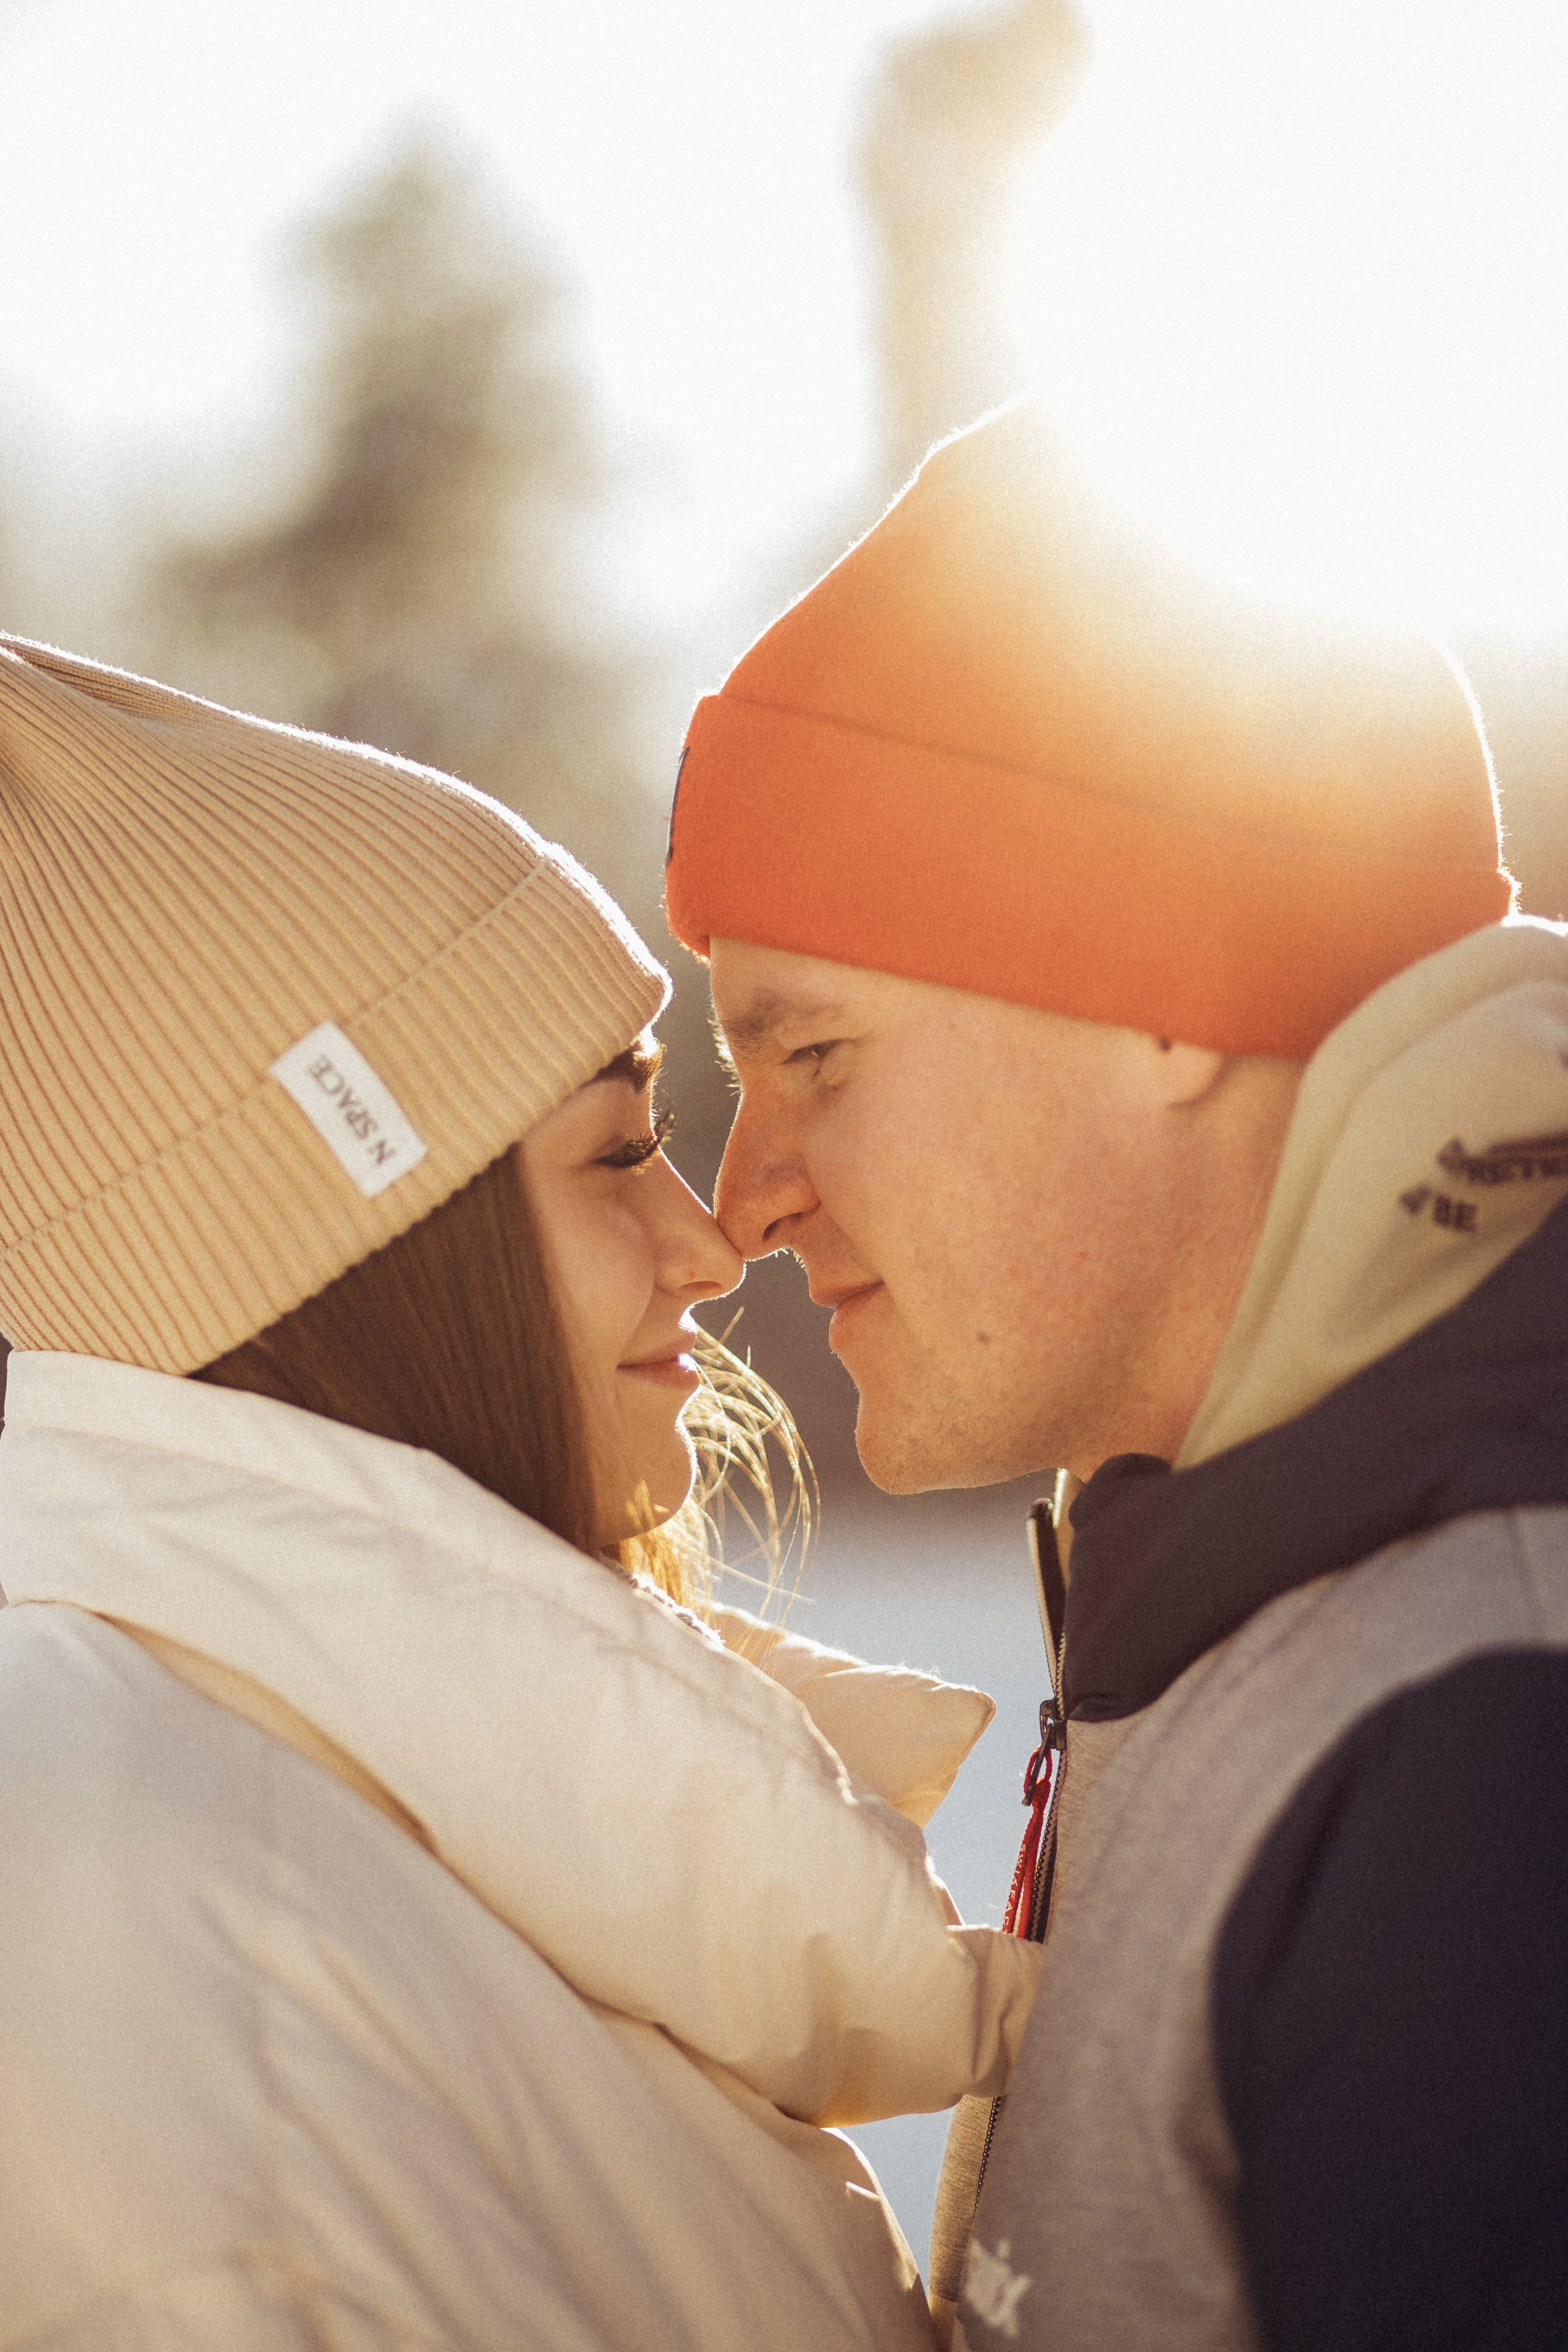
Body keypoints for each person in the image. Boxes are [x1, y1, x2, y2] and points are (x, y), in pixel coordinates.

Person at [0, 633, 1046, 2350]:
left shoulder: (382, 1816)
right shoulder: (157, 1952)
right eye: (618, 1153)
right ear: (375, 1246)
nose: (710, 1245)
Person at [665, 402, 1568, 2350]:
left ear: (1162, 991)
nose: (743, 1202)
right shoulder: (1251, 1587)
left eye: (811, 1055)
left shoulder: (1485, 1753)